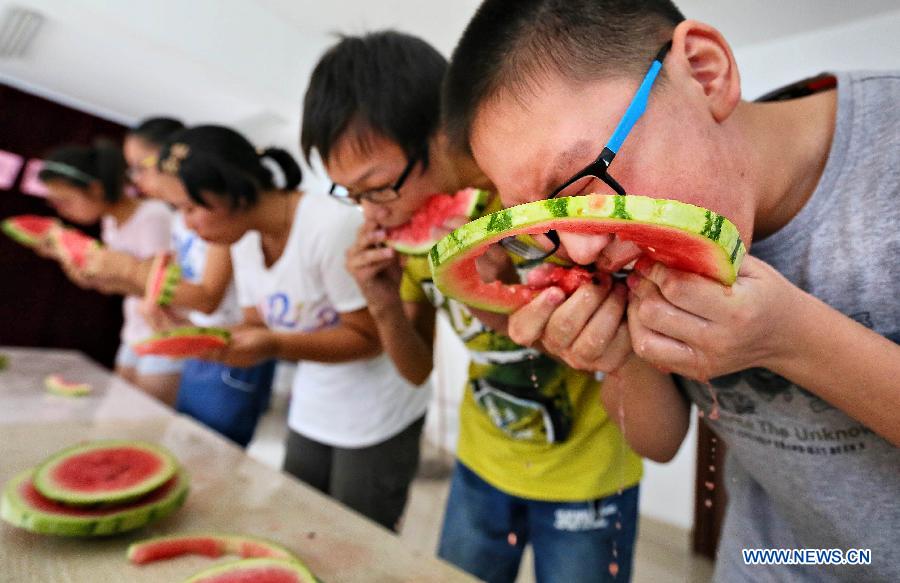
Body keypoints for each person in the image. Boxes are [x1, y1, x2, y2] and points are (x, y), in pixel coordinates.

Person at [442, 1, 900, 581]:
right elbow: (657, 442)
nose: (580, 251)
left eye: (585, 184)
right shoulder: (622, 251)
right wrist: (621, 358)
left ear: (705, 72)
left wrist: (788, 340)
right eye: (542, 225)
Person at [302, 31, 643, 582]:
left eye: (377, 187)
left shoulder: (537, 205)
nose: (370, 212)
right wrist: (382, 302)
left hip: (587, 474)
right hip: (480, 468)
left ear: (440, 133)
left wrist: (495, 292)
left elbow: (608, 346)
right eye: (351, 195)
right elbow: (417, 372)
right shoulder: (405, 242)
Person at [154, 125, 430, 530]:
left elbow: (368, 339)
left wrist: (271, 345)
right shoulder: (243, 240)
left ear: (230, 191)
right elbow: (256, 323)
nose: (187, 224)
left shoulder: (328, 227)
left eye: (190, 208)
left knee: (356, 537)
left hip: (377, 412)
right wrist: (197, 335)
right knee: (302, 522)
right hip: (313, 403)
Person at [38, 140, 182, 403]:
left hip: (166, 331)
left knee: (143, 420)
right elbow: (118, 284)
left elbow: (167, 288)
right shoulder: (111, 223)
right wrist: (82, 269)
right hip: (135, 331)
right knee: (119, 411)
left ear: (95, 188)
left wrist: (114, 269)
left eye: (65, 201)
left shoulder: (152, 217)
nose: (62, 211)